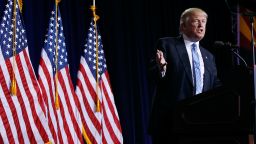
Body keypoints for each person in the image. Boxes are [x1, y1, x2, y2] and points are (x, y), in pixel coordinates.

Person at [148, 7, 222, 143]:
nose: (201, 25)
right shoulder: (167, 45)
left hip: (200, 124)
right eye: (196, 21)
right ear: (183, 25)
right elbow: (153, 75)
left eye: (204, 21)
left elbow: (215, 87)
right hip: (171, 124)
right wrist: (161, 68)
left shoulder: (209, 56)